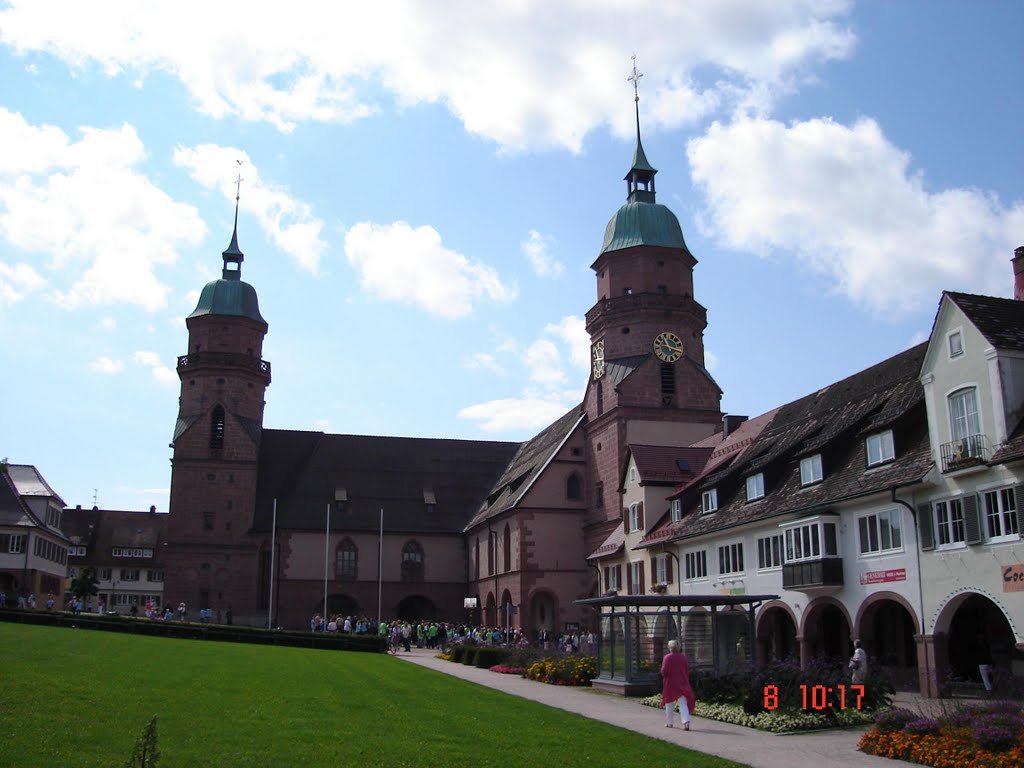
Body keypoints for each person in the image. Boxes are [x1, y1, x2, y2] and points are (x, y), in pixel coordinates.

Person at [661, 639, 695, 730]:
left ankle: (669, 723)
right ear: (679, 647)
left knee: (669, 703)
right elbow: (686, 669)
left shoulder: (667, 658)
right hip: (682, 682)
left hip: (670, 684)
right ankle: (686, 722)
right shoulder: (683, 657)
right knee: (683, 703)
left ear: (669, 648)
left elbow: (664, 671)